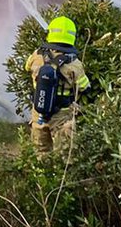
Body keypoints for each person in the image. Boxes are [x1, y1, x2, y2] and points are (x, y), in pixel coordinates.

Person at [24, 15, 90, 154]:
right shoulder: (74, 64)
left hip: (39, 112)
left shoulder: (36, 55)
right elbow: (84, 87)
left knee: (41, 151)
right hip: (62, 113)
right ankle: (63, 174)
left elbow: (26, 67)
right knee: (65, 153)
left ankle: (42, 173)